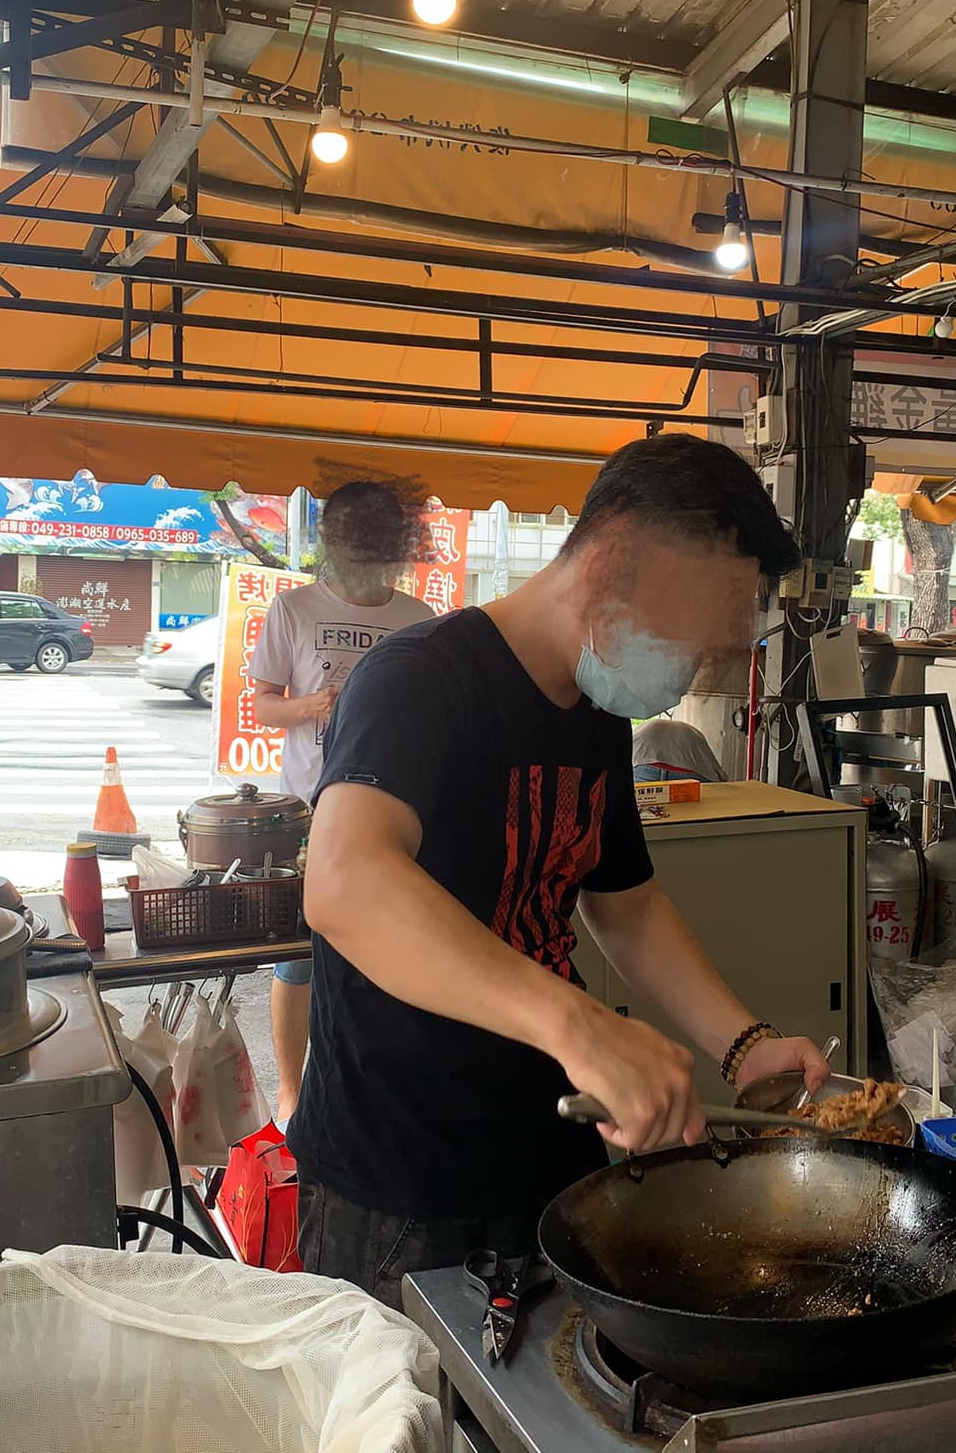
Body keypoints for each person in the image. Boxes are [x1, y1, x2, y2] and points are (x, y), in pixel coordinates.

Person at [293, 435, 829, 1309]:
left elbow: (627, 904)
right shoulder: (422, 679)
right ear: (617, 554)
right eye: (696, 634)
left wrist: (743, 1042)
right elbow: (346, 881)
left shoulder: (591, 712)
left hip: (549, 1152)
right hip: (401, 1181)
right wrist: (580, 1028)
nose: (693, 668)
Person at [249, 481, 435, 1126]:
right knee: (298, 956)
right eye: (352, 534)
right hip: (307, 809)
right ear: (330, 540)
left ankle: (370, 1090)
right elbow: (263, 704)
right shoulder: (294, 609)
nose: (365, 549)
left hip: (395, 813)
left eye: (377, 536)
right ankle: (292, 1091)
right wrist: (311, 707)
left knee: (383, 950)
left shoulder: (419, 620)